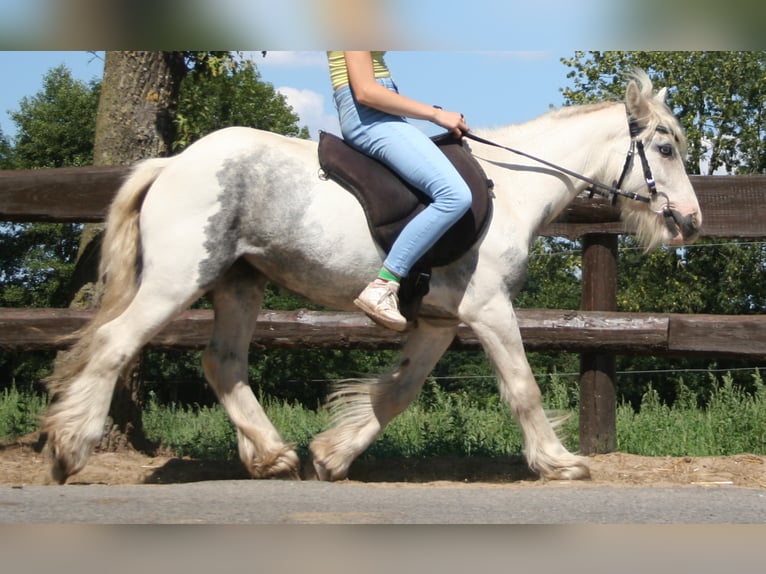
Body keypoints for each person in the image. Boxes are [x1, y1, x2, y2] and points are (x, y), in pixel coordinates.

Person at [328, 51, 472, 331]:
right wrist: (436, 114)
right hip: (370, 117)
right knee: (454, 195)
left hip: (381, 114)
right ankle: (383, 285)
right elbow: (366, 91)